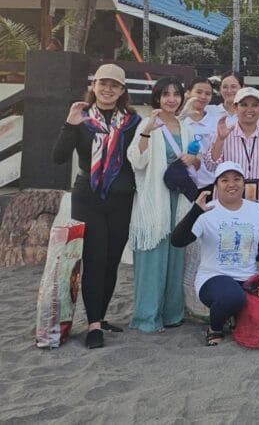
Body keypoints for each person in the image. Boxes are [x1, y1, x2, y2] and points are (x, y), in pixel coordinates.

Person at [52, 64, 141, 348]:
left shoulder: (132, 122)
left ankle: (100, 317)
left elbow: (137, 161)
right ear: (94, 85)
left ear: (122, 90)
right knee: (94, 259)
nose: (108, 89)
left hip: (121, 198)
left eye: (114, 85)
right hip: (87, 197)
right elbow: (58, 157)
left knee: (111, 260)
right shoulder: (81, 118)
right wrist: (69, 125)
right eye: (103, 83)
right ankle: (92, 325)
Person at [170, 162, 259, 346]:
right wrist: (195, 212)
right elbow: (177, 241)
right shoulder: (207, 211)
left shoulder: (257, 210)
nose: (232, 184)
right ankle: (214, 328)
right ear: (216, 185)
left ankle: (234, 316)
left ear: (244, 183)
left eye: (237, 179)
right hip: (214, 277)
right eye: (225, 180)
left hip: (247, 280)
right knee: (231, 296)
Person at [126, 77, 197, 332]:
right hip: (154, 198)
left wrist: (193, 159)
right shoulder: (148, 123)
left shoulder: (184, 126)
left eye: (176, 94)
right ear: (157, 97)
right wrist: (146, 132)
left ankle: (172, 314)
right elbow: (137, 160)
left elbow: (193, 162)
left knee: (176, 256)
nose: (171, 99)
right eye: (165, 94)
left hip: (178, 200)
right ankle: (147, 317)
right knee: (152, 257)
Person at [203, 87, 259, 204]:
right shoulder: (223, 133)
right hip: (225, 202)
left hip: (257, 203)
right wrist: (220, 139)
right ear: (235, 107)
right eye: (244, 105)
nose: (249, 109)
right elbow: (211, 166)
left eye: (254, 105)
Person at [180, 77, 219, 190]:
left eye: (207, 93)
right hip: (183, 183)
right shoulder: (178, 120)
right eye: (198, 92)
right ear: (188, 93)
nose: (203, 97)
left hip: (209, 183)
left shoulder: (216, 122)